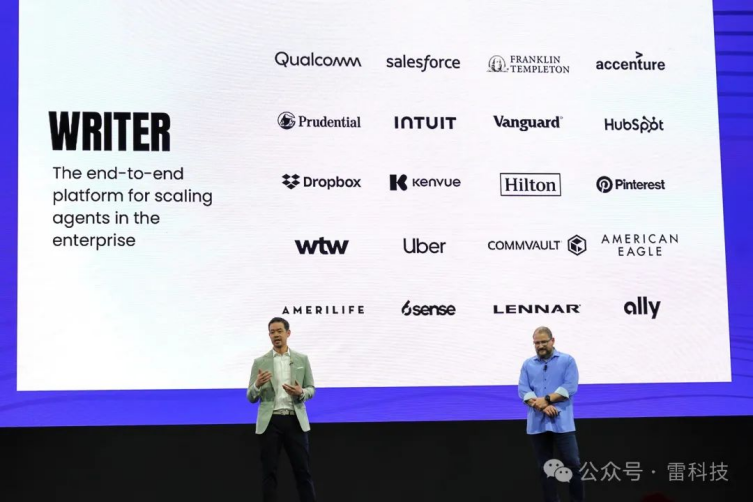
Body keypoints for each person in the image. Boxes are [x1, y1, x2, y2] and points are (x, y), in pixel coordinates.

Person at [247, 317, 316, 502]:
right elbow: (250, 397)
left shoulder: (302, 359)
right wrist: (257, 384)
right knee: (269, 473)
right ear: (269, 335)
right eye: (272, 332)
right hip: (271, 422)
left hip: (295, 421)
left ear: (288, 333)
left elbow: (311, 389)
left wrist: (301, 392)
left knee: (303, 471)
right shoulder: (260, 362)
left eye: (279, 331)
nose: (276, 335)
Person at [518, 326, 584, 502]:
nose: (540, 346)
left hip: (562, 423)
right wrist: (541, 406)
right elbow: (523, 390)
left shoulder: (567, 360)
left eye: (543, 342)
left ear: (552, 341)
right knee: (545, 468)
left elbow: (570, 386)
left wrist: (546, 399)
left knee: (573, 465)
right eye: (536, 343)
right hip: (537, 423)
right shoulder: (527, 364)